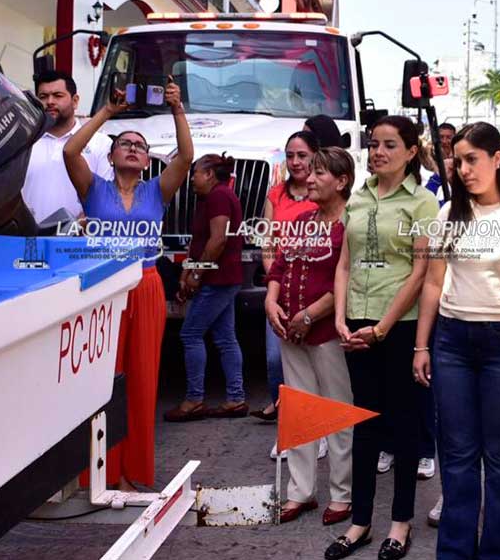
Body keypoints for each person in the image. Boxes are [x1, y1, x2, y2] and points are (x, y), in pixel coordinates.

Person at [64, 77, 192, 490]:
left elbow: (187, 156)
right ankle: (97, 472)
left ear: (148, 160)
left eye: (140, 146)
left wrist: (176, 108)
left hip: (147, 284)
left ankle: (134, 471)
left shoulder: (157, 190)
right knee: (100, 379)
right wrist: (108, 112)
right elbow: (70, 150)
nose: (134, 149)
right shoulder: (93, 188)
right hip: (102, 289)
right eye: (126, 144)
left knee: (141, 378)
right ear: (113, 154)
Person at [414, 121, 500, 559]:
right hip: (452, 344)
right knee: (457, 456)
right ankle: (456, 552)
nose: (462, 169)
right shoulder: (449, 215)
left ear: (497, 159)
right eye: (457, 161)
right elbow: (432, 284)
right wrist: (422, 346)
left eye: (472, 159)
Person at [326, 115, 434, 560]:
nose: (378, 152)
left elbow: (420, 271)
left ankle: (400, 523)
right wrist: (339, 318)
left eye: (390, 145)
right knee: (365, 426)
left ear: (411, 152)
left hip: (399, 326)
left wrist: (384, 328)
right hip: (355, 323)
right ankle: (361, 522)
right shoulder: (358, 199)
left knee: (404, 427)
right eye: (373, 144)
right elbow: (345, 265)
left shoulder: (423, 203)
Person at [265, 146, 355, 525]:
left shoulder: (351, 224)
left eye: (320, 173)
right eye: (310, 172)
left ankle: (342, 494)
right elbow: (279, 266)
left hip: (327, 332)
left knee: (337, 412)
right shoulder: (303, 220)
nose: (310, 179)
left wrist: (310, 313)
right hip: (290, 330)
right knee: (300, 411)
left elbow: (351, 279)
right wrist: (272, 301)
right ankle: (300, 492)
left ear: (342, 181)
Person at [164, 154, 248, 421]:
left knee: (190, 335)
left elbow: (217, 240)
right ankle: (235, 398)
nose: (192, 178)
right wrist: (188, 271)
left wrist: (196, 275)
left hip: (219, 279)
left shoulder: (219, 197)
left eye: (196, 172)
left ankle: (194, 399)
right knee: (225, 338)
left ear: (209, 174)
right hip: (221, 278)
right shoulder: (210, 198)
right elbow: (199, 241)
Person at [256, 132, 320, 434]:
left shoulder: (322, 193)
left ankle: (314, 426)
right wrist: (275, 282)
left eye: (302, 155)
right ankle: (289, 425)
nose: (295, 162)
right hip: (280, 287)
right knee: (274, 360)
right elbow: (267, 243)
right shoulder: (275, 194)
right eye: (290, 155)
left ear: (315, 157)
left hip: (316, 289)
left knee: (315, 362)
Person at [21, 70, 113, 227]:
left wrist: (76, 227)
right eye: (43, 97)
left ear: (75, 101)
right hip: (28, 241)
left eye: (58, 95)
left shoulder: (100, 143)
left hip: (78, 244)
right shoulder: (23, 143)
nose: (49, 101)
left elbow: (106, 198)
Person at [425, 123, 458, 198]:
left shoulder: (460, 160)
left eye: (449, 137)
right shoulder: (427, 159)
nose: (444, 141)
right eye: (441, 137)